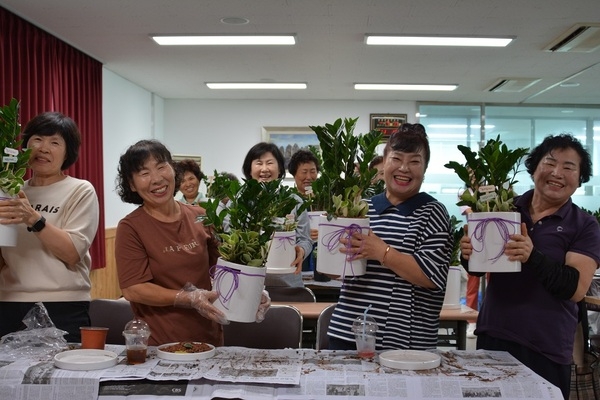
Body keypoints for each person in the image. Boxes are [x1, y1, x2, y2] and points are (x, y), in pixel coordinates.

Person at [459, 133, 600, 399]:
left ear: (580, 179)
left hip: (545, 346)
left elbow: (575, 289)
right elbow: (478, 269)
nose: (557, 173)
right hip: (494, 336)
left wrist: (532, 255)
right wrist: (468, 254)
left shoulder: (584, 225)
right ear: (534, 168)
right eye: (550, 163)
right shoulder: (503, 209)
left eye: (569, 167)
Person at [115, 139, 269, 346]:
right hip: (159, 344)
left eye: (161, 167)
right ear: (132, 184)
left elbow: (224, 269)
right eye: (144, 173)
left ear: (173, 170)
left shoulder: (201, 215)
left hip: (208, 339)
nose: (156, 179)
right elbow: (133, 289)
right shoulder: (131, 227)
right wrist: (187, 298)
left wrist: (254, 292)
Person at [327, 123, 453, 350]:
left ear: (424, 169)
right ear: (384, 162)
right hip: (348, 332)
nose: (404, 168)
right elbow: (336, 271)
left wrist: (381, 251)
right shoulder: (361, 208)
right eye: (396, 159)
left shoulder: (432, 212)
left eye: (414, 161)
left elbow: (432, 277)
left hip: (403, 342)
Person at [0, 112, 99, 343]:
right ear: (25, 147)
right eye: (37, 140)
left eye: (55, 142)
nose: (44, 148)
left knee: (60, 376)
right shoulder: (9, 192)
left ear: (68, 153)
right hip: (8, 302)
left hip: (64, 304)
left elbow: (73, 253)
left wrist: (33, 217)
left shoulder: (80, 190)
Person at [242, 142, 312, 287]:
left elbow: (306, 239)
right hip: (248, 283)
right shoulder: (239, 202)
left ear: (280, 169)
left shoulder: (294, 202)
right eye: (258, 163)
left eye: (269, 163)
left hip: (288, 283)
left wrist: (302, 250)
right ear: (249, 170)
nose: (264, 169)